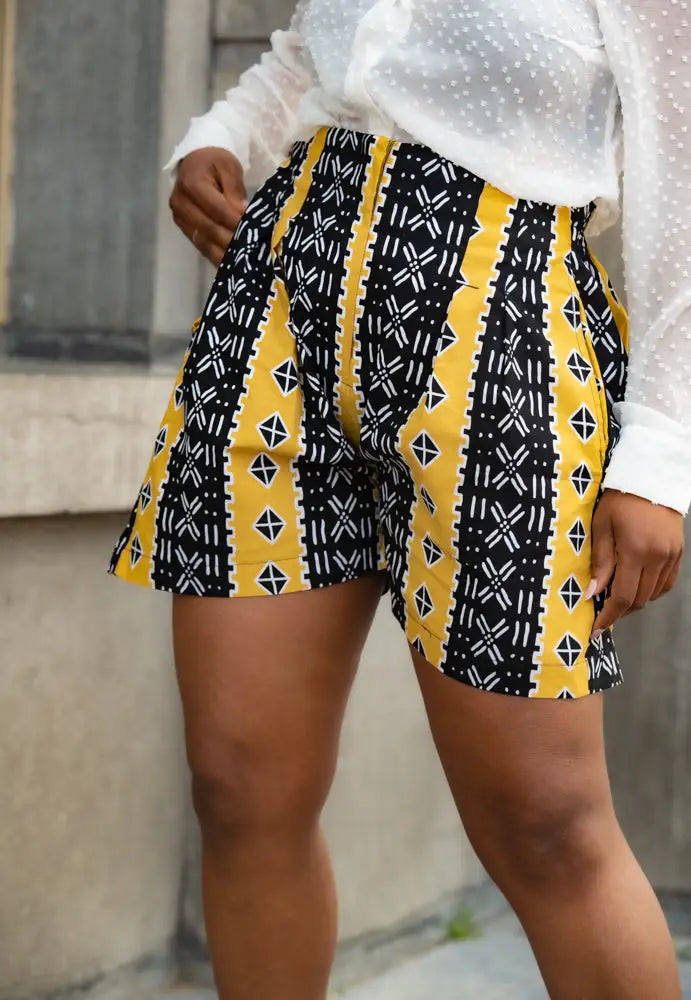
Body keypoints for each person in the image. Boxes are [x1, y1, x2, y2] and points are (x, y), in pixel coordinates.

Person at [110, 2, 690, 997]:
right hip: (279, 316)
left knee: (545, 823)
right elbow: (311, 52)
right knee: (240, 786)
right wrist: (225, 135)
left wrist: (662, 453)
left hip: (505, 342)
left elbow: (682, 191)